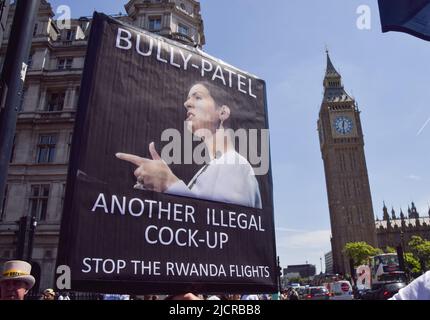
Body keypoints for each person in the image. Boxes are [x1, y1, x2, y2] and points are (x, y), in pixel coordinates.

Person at [116, 81, 262, 209]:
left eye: (198, 97)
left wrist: (169, 183)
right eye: (188, 99)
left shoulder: (235, 165)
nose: (187, 104)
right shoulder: (212, 168)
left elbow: (227, 232)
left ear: (223, 112)